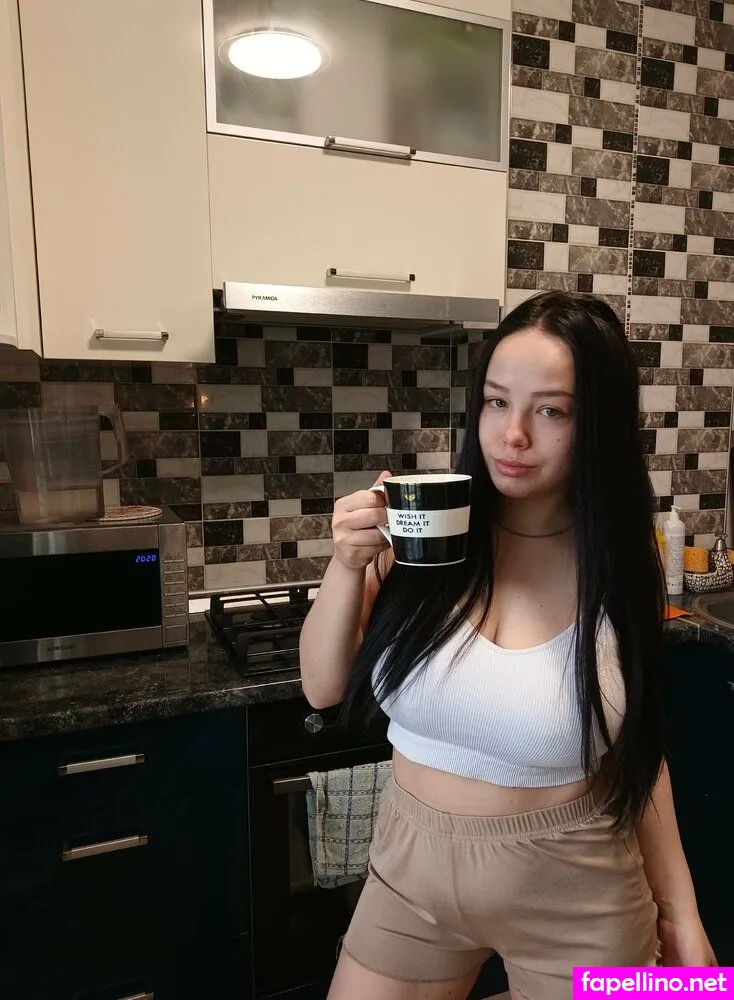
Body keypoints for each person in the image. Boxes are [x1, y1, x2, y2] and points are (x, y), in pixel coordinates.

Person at [299, 291, 716, 1000]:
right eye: (496, 402)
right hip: (410, 873)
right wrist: (344, 565)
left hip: (578, 887)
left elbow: (640, 753)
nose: (513, 434)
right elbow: (323, 687)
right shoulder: (423, 529)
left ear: (598, 424)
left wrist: (684, 915)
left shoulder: (620, 565)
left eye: (551, 411)